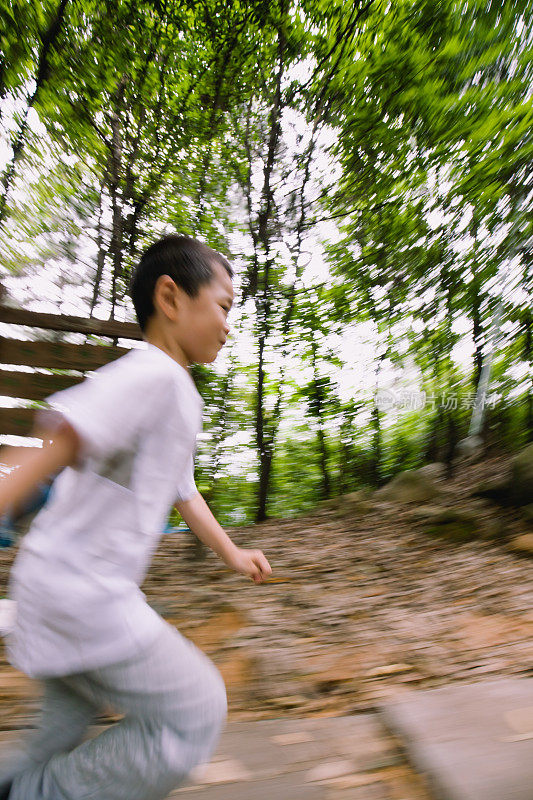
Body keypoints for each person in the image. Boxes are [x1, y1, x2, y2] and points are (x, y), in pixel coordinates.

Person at [0, 234, 272, 800]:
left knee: (57, 737)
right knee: (194, 709)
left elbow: (184, 493)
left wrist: (233, 554)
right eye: (223, 306)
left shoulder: (173, 393)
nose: (228, 325)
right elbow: (62, 437)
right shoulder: (155, 376)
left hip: (55, 592)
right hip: (85, 600)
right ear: (171, 299)